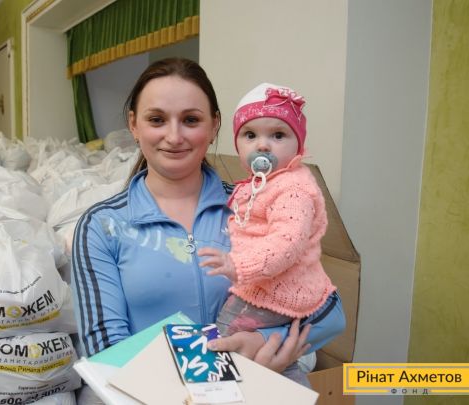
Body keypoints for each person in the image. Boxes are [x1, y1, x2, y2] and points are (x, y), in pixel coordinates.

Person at [71, 59, 311, 403]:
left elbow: (322, 308)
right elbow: (108, 350)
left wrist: (264, 342)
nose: (174, 136)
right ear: (134, 125)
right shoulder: (103, 226)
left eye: (191, 120)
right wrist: (222, 372)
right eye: (157, 120)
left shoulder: (259, 211)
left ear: (214, 126)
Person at [198, 83, 346, 352]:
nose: (263, 145)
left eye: (278, 135)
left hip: (275, 292)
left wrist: (238, 265)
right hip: (263, 282)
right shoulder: (261, 183)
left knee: (224, 337)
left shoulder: (293, 189)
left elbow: (286, 243)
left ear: (298, 144)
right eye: (250, 135)